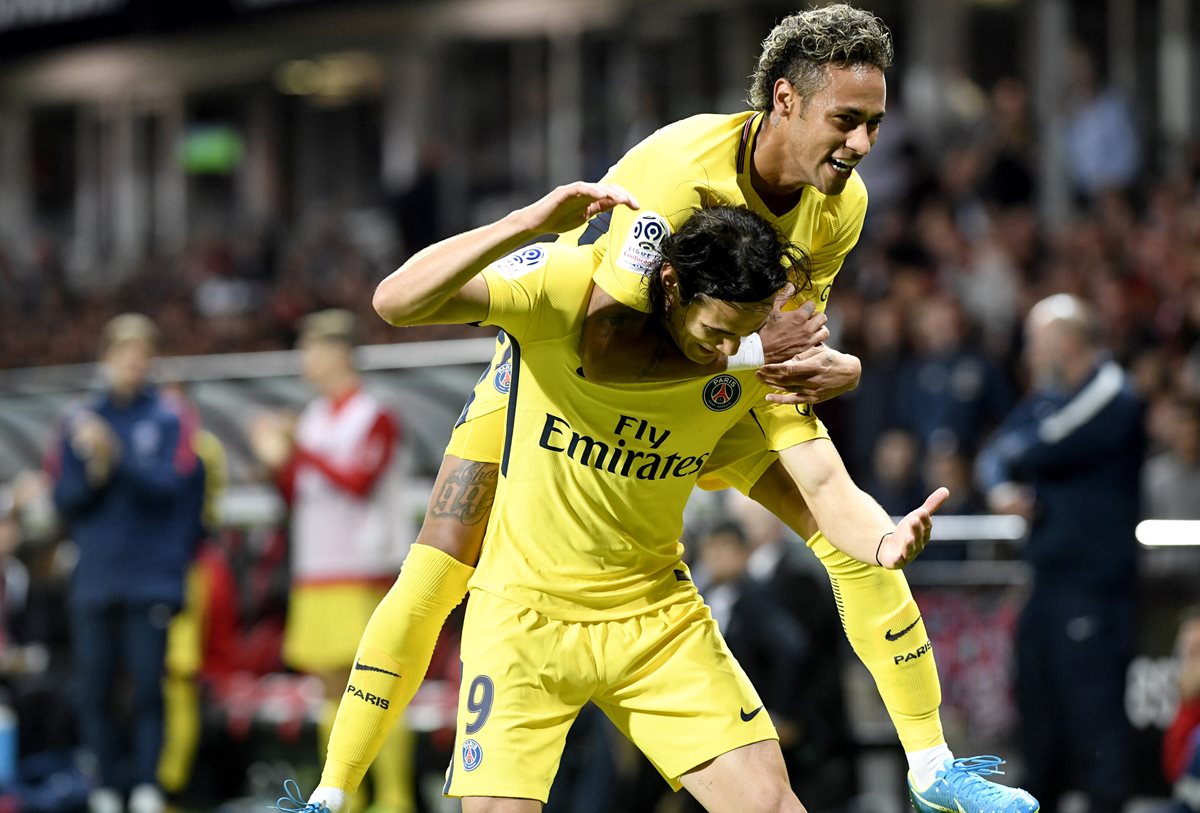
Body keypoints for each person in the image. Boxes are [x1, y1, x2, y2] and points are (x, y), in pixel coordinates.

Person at [308, 5, 1036, 812]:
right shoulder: (672, 174)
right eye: (847, 121)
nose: (863, 145)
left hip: (704, 412)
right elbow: (605, 345)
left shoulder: (841, 207)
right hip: (560, 382)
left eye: (874, 124)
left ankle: (930, 761)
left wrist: (832, 370)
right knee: (441, 560)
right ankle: (332, 793)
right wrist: (750, 350)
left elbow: (789, 345)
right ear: (786, 100)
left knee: (854, 529)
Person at [356, 181, 946, 812]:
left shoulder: (755, 364)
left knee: (770, 804)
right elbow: (397, 301)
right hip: (523, 614)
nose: (726, 350)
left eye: (744, 334)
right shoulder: (567, 305)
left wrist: (884, 540)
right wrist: (528, 221)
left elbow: (826, 484)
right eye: (718, 330)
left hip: (654, 617)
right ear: (670, 286)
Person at [977, 293, 1146, 812]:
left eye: (1036, 341)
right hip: (1047, 582)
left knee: (1094, 725)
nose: (1029, 353)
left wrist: (1014, 464)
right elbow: (992, 456)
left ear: (1067, 341)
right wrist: (1003, 490)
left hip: (1093, 587)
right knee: (1039, 723)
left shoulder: (1112, 392)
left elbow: (1036, 446)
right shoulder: (1049, 396)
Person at [250, 309, 416, 813]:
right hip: (316, 570)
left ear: (340, 352)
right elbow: (299, 495)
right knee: (329, 690)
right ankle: (345, 799)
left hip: (364, 568)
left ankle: (393, 797)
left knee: (374, 687)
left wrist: (297, 448)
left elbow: (357, 484)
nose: (306, 358)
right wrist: (275, 464)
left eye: (312, 347)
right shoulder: (314, 419)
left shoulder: (375, 415)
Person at [48, 314, 202, 813]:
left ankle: (146, 784)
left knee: (146, 684)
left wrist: (114, 457)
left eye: (141, 353)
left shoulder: (169, 417)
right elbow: (64, 499)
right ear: (106, 359)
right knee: (94, 684)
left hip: (150, 576)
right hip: (95, 576)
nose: (133, 363)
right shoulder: (78, 420)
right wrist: (94, 470)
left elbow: (170, 489)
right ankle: (106, 786)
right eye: (123, 353)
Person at [1164, 605, 1200, 812]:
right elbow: (1175, 770)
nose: (1189, 661)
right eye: (1185, 651)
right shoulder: (1189, 701)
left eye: (1197, 651)